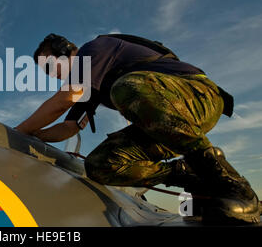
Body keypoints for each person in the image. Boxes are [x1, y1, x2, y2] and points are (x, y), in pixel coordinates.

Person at [15, 33, 260, 224]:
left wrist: (19, 131)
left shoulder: (93, 50)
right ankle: (187, 175)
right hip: (161, 123)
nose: (51, 75)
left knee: (127, 87)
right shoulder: (88, 86)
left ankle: (235, 187)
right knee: (101, 165)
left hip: (197, 96)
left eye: (49, 67)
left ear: (64, 52)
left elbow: (66, 98)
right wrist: (37, 135)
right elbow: (69, 126)